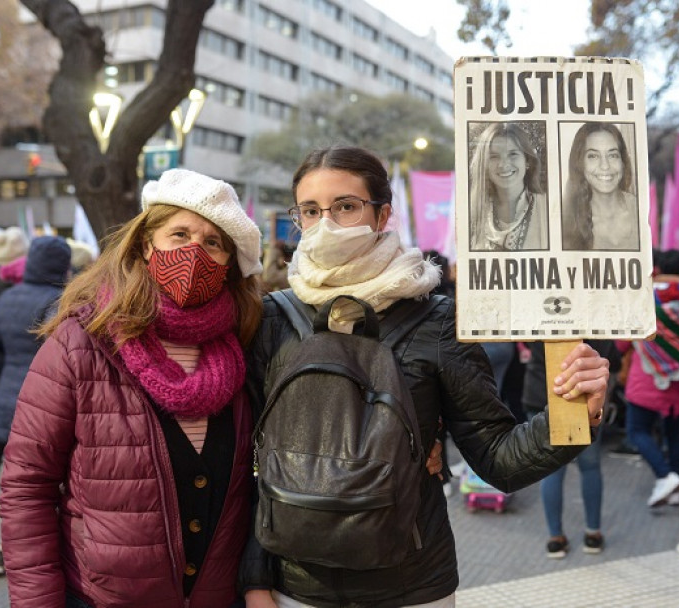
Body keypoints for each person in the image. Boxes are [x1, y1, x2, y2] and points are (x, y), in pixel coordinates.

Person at [240, 145, 610, 608]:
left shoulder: (439, 322)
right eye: (311, 211)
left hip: (412, 587)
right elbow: (246, 466)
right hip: (293, 587)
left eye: (346, 206)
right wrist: (254, 583)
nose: (327, 223)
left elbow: (497, 459)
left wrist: (577, 408)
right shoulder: (270, 318)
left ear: (383, 215)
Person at [0, 169, 264, 607]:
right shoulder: (83, 340)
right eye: (179, 233)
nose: (194, 251)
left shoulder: (247, 344)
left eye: (213, 242)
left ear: (228, 265)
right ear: (146, 243)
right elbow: (27, 486)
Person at [0, 235, 71, 576]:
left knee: (11, 478)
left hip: (7, 398)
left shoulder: (6, 298)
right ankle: (45, 556)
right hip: (49, 403)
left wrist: (6, 370)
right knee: (45, 482)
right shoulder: (60, 300)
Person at [616, 249, 679, 508]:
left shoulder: (646, 301)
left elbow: (622, 345)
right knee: (677, 435)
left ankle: (665, 476)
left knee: (637, 431)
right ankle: (675, 489)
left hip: (646, 381)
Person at [523, 340, 619, 558]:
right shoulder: (596, 314)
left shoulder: (539, 309)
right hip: (586, 398)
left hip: (542, 392)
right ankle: (593, 534)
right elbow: (612, 355)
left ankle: (555, 538)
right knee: (591, 466)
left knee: (551, 469)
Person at [468, 122, 548, 251]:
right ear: (484, 165)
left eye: (513, 154)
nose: (503, 164)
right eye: (494, 157)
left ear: (527, 161)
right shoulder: (471, 213)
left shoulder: (549, 209)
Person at [562, 122, 638, 250]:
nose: (605, 166)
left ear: (623, 161)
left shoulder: (640, 210)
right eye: (593, 156)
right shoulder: (565, 220)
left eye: (613, 155)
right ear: (579, 163)